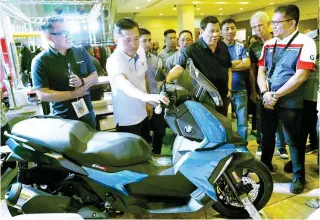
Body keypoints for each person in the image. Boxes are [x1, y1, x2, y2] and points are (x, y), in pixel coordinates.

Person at [257, 4, 316, 194]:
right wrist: (265, 92)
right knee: (266, 137)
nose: (272, 26)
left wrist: (276, 94)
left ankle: (299, 177)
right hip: (268, 98)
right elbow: (261, 71)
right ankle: (263, 169)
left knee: (294, 140)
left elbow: (301, 75)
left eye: (277, 22)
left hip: (291, 101)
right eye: (272, 22)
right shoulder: (269, 44)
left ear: (292, 23)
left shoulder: (306, 42)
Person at [32, 16, 98, 129]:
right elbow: (42, 94)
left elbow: (95, 77)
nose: (69, 36)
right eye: (63, 32)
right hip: (62, 118)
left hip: (87, 113)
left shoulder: (81, 52)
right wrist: (74, 94)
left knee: (92, 144)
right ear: (49, 37)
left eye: (69, 31)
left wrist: (82, 81)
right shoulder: (40, 61)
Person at [106, 18, 168, 138]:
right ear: (116, 40)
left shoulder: (140, 51)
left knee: (145, 146)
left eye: (136, 39)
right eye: (127, 40)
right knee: (131, 154)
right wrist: (146, 97)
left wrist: (147, 103)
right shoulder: (114, 60)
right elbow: (124, 84)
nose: (133, 44)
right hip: (127, 118)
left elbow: (144, 76)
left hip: (143, 111)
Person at [166, 16, 232, 116]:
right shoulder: (192, 49)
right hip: (205, 100)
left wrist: (229, 90)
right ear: (201, 32)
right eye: (211, 31)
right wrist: (166, 82)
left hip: (223, 98)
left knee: (222, 127)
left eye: (217, 31)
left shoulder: (222, 46)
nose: (215, 34)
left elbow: (228, 68)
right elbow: (178, 68)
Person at [249, 11, 289, 159]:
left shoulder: (280, 41)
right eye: (254, 27)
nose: (258, 29)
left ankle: (282, 146)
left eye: (260, 25)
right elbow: (253, 70)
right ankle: (263, 147)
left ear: (268, 25)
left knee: (282, 120)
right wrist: (255, 89)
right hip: (263, 88)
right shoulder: (253, 46)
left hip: (283, 87)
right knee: (264, 120)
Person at [139, 28, 167, 155]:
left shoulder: (156, 59)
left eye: (149, 40)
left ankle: (157, 154)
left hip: (156, 103)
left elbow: (161, 78)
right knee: (143, 135)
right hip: (140, 104)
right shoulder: (134, 60)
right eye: (144, 40)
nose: (148, 43)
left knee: (160, 131)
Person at [221, 18, 250, 140]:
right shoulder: (217, 47)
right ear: (221, 31)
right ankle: (224, 144)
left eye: (232, 28)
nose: (230, 31)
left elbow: (247, 64)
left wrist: (227, 66)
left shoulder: (241, 46)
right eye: (226, 28)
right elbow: (217, 67)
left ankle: (242, 147)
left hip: (240, 89)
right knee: (221, 120)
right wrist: (237, 62)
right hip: (221, 90)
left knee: (242, 121)